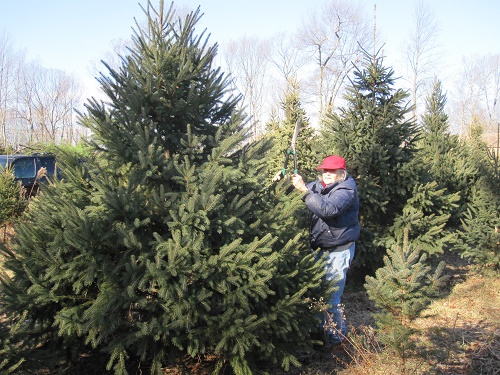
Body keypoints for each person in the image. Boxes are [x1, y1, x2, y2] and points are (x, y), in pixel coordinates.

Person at [291, 155, 360, 350]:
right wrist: (286, 178)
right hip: (320, 248)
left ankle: (338, 341)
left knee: (330, 298)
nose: (327, 174)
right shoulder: (321, 185)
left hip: (338, 251)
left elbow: (327, 209)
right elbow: (303, 188)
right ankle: (320, 333)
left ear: (341, 172)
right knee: (317, 292)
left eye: (331, 171)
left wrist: (304, 189)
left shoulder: (346, 189)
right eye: (324, 170)